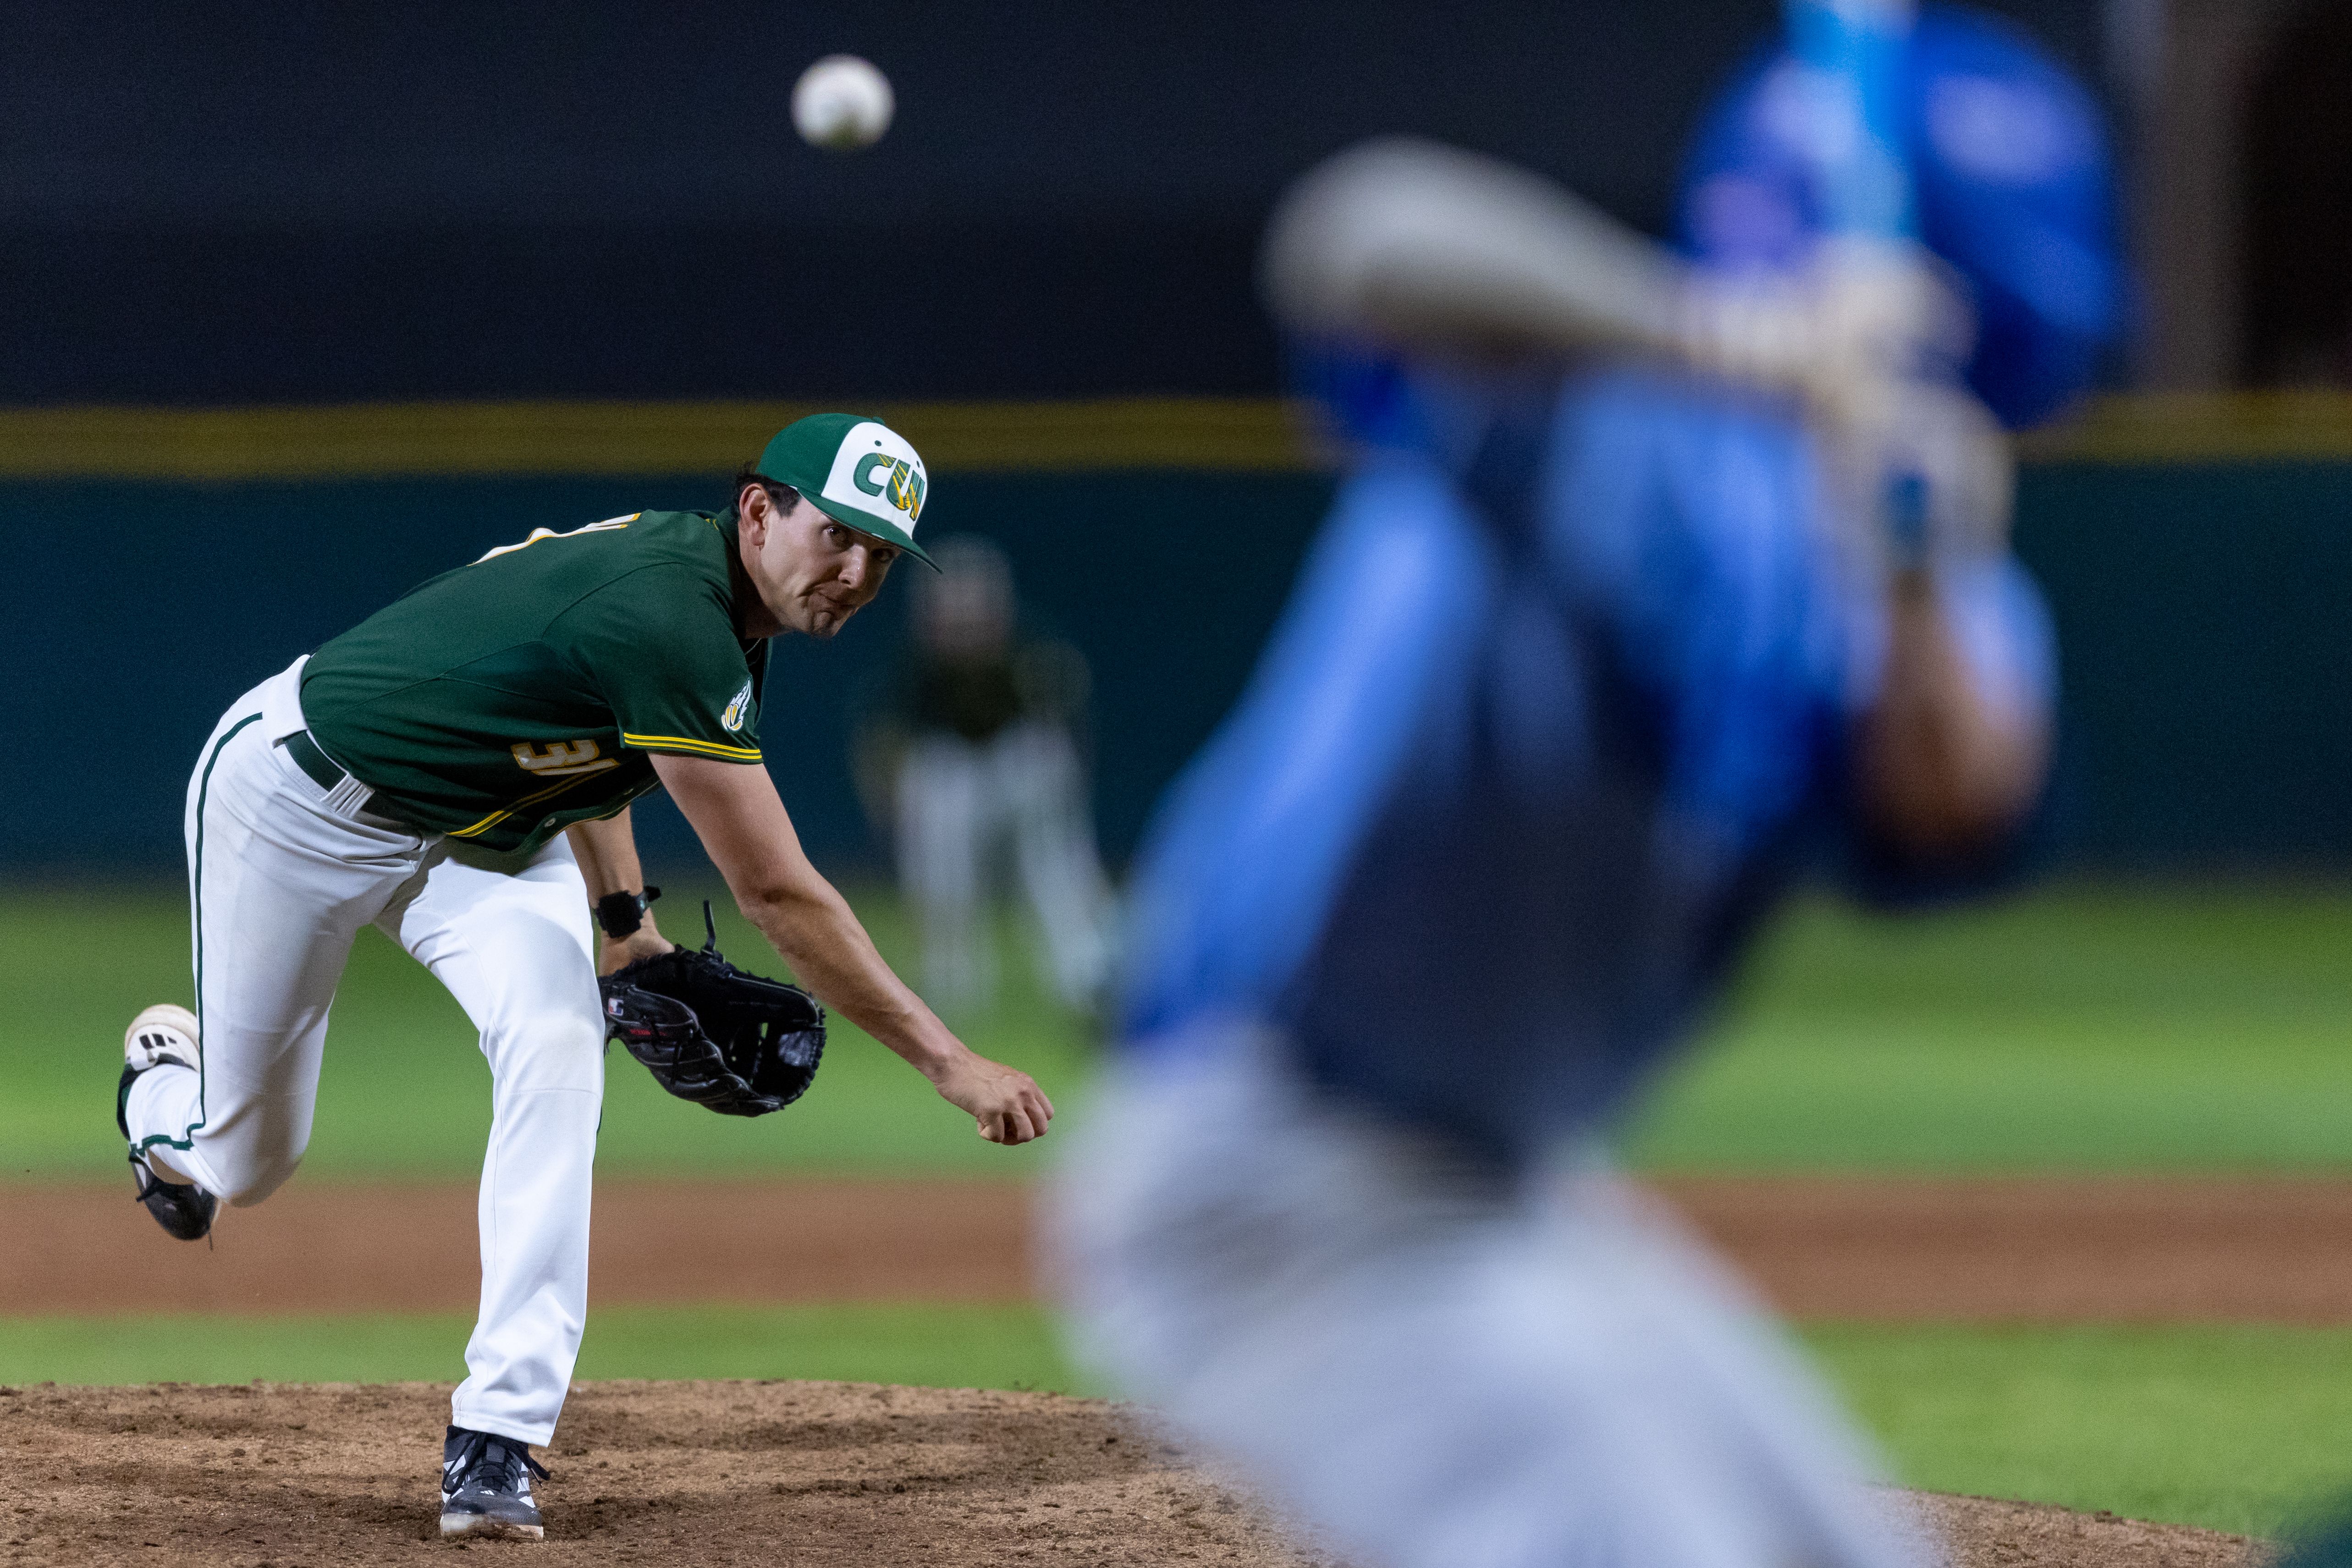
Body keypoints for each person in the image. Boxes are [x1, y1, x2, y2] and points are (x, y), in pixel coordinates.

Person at [1052, 9, 2111, 1568]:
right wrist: (1727, 338)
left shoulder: (1933, 547)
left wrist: (1906, 571)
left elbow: (1948, 806)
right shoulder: (1595, 399)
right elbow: (1360, 235)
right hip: (1274, 1173)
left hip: (1506, 1188)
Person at [116, 412, 1055, 1541]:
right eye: (839, 533)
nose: (857, 572)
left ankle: (497, 1437)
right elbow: (777, 894)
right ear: (760, 509)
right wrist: (948, 1062)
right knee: (247, 1159)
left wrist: (623, 924)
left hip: (481, 842)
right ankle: (168, 1095)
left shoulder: (722, 607)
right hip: (294, 802)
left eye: (884, 554)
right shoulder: (672, 611)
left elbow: (590, 751)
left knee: (561, 1046)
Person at [858, 535, 1116, 1017]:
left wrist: (1065, 791)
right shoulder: (917, 669)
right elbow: (886, 739)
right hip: (954, 771)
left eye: (976, 612)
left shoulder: (1032, 653)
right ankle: (949, 984)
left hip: (1017, 765)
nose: (964, 626)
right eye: (953, 614)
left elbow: (1064, 732)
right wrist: (889, 800)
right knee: (941, 856)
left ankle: (1087, 974)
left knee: (1056, 865)